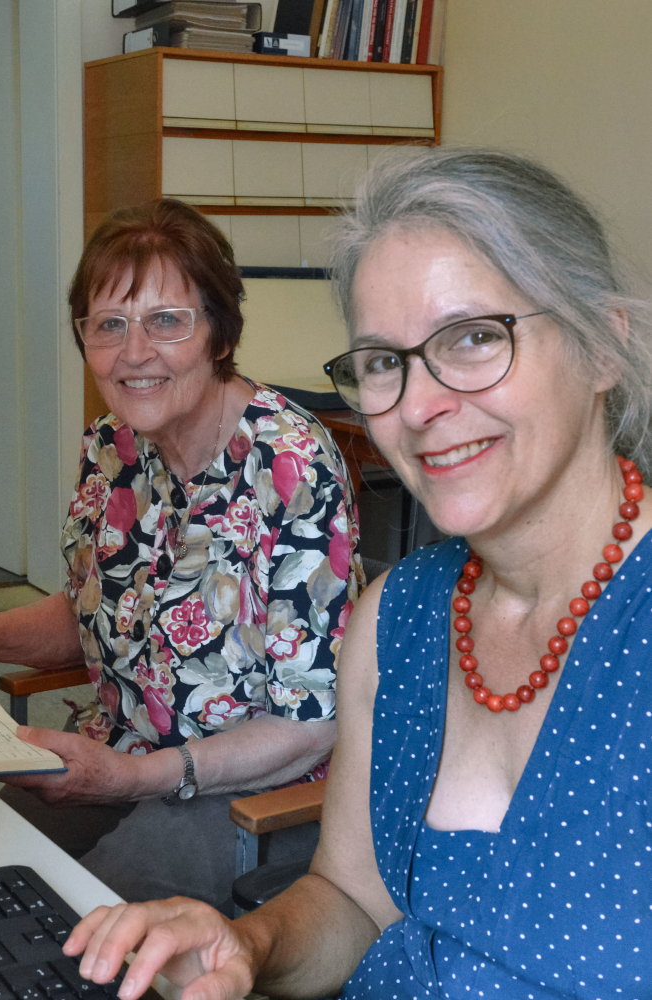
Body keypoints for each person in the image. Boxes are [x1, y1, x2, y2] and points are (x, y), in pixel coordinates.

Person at [60, 148, 652, 998]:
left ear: (604, 347)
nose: (417, 406)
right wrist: (248, 943)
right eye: (383, 361)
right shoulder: (399, 618)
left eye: (476, 337)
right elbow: (352, 902)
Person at [0, 198, 363, 915]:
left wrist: (138, 778)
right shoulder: (113, 447)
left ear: (220, 334)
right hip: (110, 758)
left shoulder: (291, 466)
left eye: (166, 321)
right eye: (109, 326)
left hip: (250, 794)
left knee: (80, 925)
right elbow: (97, 615)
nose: (134, 353)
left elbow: (313, 721)